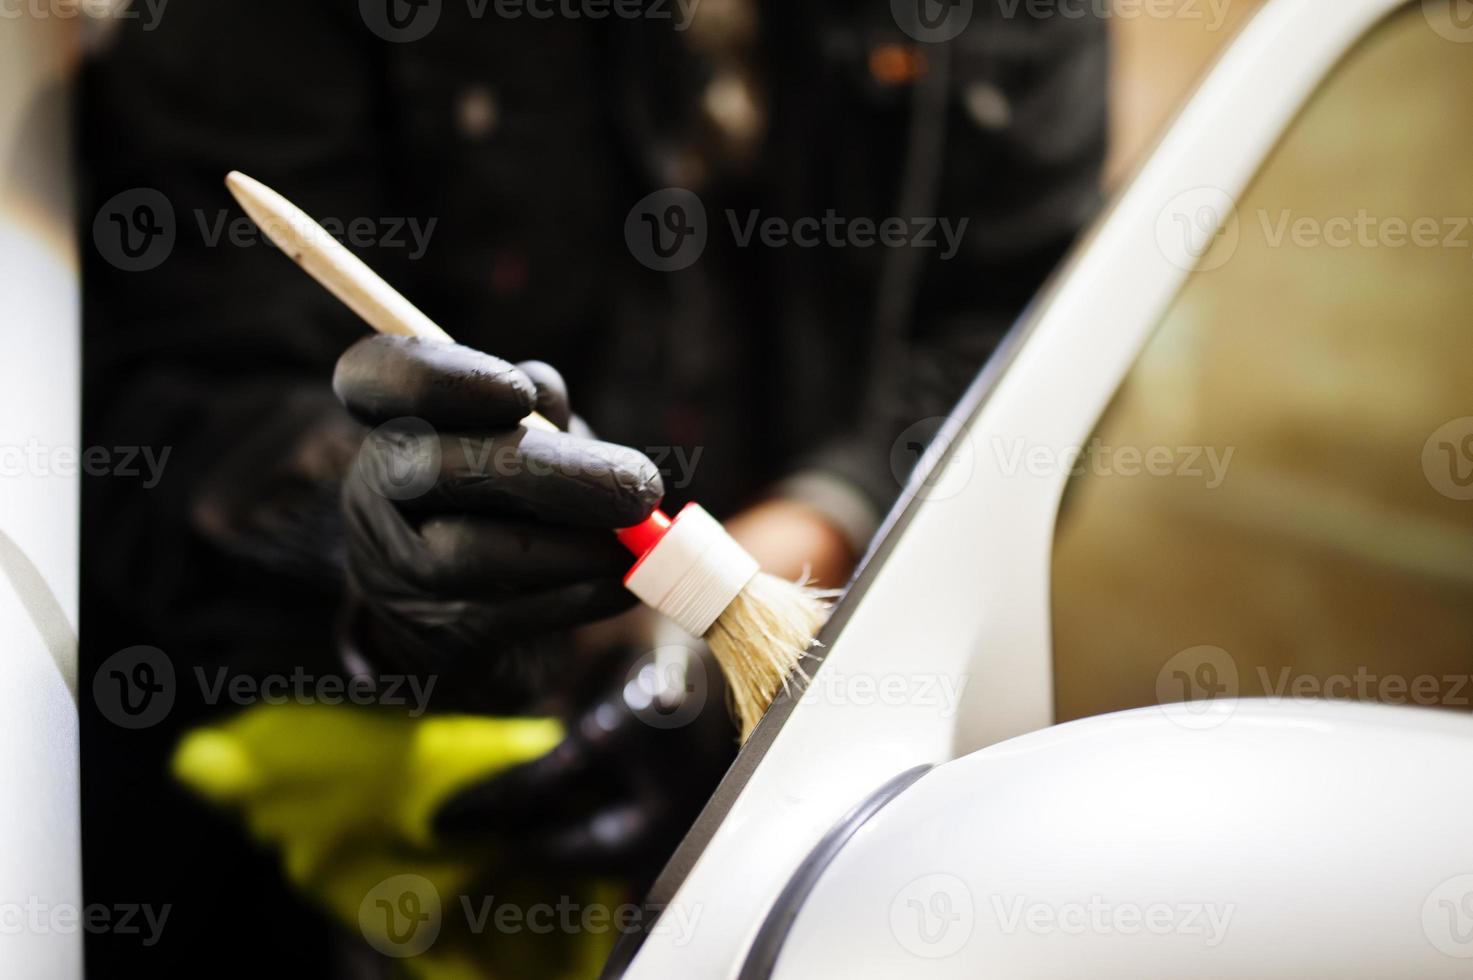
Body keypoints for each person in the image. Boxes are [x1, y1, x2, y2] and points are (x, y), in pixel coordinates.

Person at [79, 0, 1107, 974]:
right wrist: (373, 540)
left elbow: (1022, 328)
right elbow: (174, 390)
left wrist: (802, 546)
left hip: (811, 758)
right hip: (317, 792)